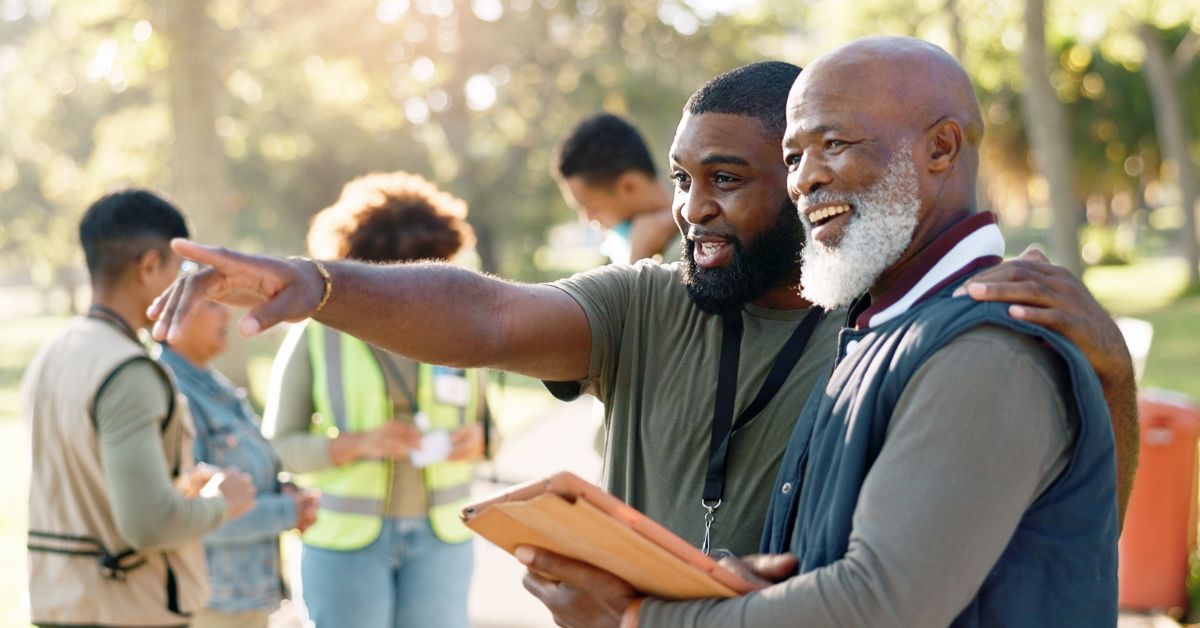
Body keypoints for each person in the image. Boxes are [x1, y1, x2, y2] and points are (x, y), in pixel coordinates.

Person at [148, 63, 1136, 564]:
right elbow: (487, 316)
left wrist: (1112, 375)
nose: (691, 209)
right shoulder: (645, 304)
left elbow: (1076, 525)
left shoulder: (907, 329)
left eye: (726, 178)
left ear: (807, 181)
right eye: (679, 179)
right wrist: (320, 285)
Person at [518, 37, 1120, 627]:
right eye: (791, 158)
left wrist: (634, 618)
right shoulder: (881, 329)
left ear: (941, 148)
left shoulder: (988, 348)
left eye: (833, 144)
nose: (802, 181)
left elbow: (877, 604)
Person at [261, 171, 491, 628]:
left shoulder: (463, 326)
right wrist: (359, 443)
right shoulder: (316, 332)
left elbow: (491, 431)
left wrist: (479, 442)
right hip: (346, 546)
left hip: (442, 542)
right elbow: (278, 447)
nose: (409, 289)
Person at [21, 189, 256, 627]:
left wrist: (178, 486)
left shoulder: (52, 354)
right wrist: (223, 501)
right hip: (126, 609)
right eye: (183, 270)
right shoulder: (128, 371)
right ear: (149, 266)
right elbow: (149, 525)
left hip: (59, 602)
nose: (189, 286)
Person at [159, 300, 319, 628]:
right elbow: (194, 513)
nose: (226, 313)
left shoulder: (214, 386)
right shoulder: (173, 394)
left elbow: (247, 477)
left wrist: (284, 490)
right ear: (172, 314)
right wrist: (289, 510)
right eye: (211, 304)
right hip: (211, 605)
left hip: (240, 600)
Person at [555, 113, 680, 263]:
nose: (587, 219)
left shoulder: (692, 250)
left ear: (628, 186)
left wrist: (636, 261)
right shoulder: (620, 249)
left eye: (589, 206)